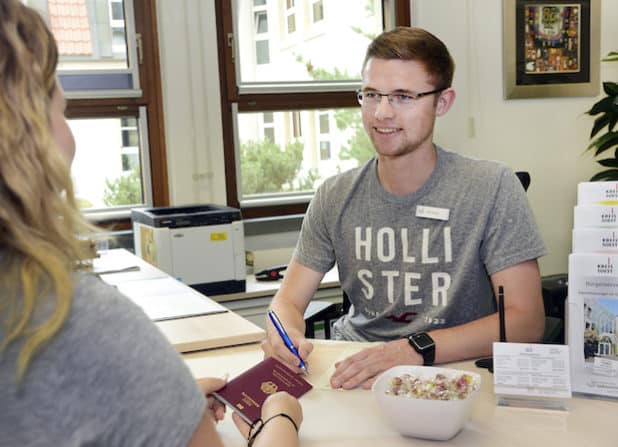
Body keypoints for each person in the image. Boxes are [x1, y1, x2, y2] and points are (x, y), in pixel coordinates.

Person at [0, 2, 301, 446]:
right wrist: (280, 420)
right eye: (60, 111)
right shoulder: (75, 319)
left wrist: (160, 404)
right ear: (25, 136)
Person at [263, 26, 547, 390]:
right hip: (351, 374)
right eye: (371, 94)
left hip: (451, 377)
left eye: (402, 97)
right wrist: (282, 334)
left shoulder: (491, 187)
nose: (381, 112)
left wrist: (413, 349)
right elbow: (286, 300)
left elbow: (526, 322)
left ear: (442, 102)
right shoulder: (334, 195)